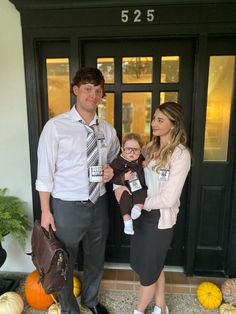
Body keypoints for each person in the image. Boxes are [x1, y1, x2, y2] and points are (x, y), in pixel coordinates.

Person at [35, 67, 120, 314]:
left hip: (99, 203)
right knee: (64, 261)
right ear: (76, 91)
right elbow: (44, 174)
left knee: (96, 258)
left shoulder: (107, 130)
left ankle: (91, 301)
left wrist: (111, 171)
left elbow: (115, 161)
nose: (93, 95)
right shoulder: (55, 127)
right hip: (66, 207)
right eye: (87, 89)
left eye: (97, 90)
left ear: (102, 94)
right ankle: (69, 308)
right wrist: (45, 211)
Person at [116, 102, 191, 314]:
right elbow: (131, 172)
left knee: (149, 270)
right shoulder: (149, 148)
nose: (154, 123)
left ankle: (138, 310)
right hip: (141, 217)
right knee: (153, 264)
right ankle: (161, 307)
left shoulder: (180, 155)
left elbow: (168, 198)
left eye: (161, 120)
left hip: (159, 219)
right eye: (154, 118)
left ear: (174, 124)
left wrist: (138, 203)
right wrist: (120, 184)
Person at [110, 133, 147, 235]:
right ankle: (127, 221)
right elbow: (112, 177)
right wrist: (123, 177)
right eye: (128, 149)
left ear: (140, 150)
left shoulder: (141, 160)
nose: (132, 152)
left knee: (142, 191)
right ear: (122, 149)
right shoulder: (117, 162)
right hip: (125, 188)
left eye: (136, 150)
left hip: (137, 186)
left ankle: (137, 207)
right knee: (124, 198)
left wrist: (146, 163)